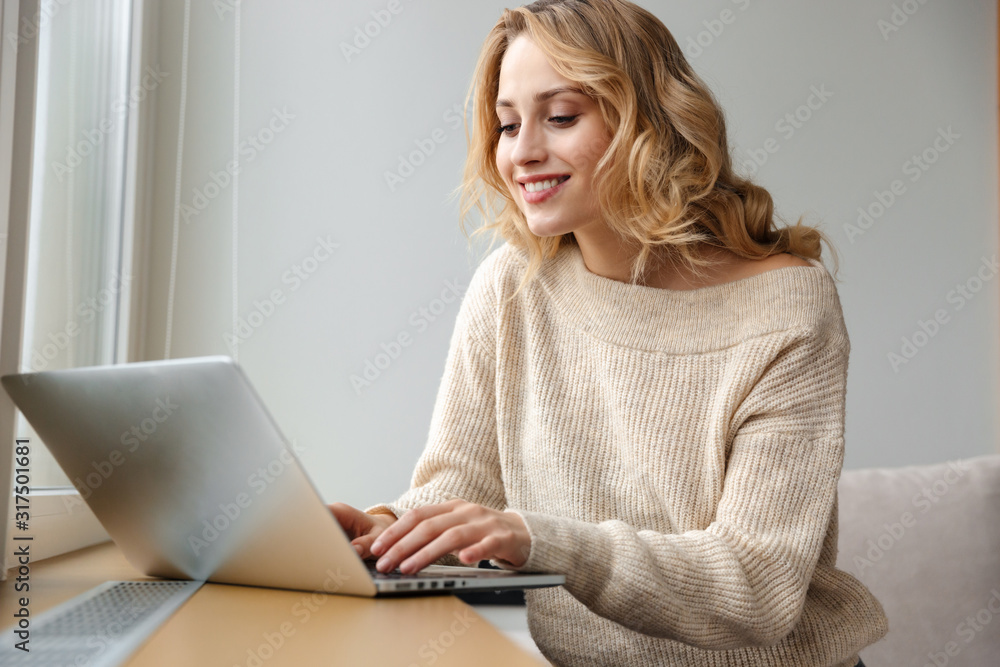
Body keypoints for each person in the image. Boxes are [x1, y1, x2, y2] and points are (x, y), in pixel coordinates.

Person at [330, 1, 888, 665]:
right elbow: (461, 490)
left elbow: (755, 586)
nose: (523, 152)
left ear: (649, 121)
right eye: (507, 125)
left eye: (561, 116)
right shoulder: (511, 286)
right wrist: (384, 531)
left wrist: (536, 538)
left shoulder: (787, 308)